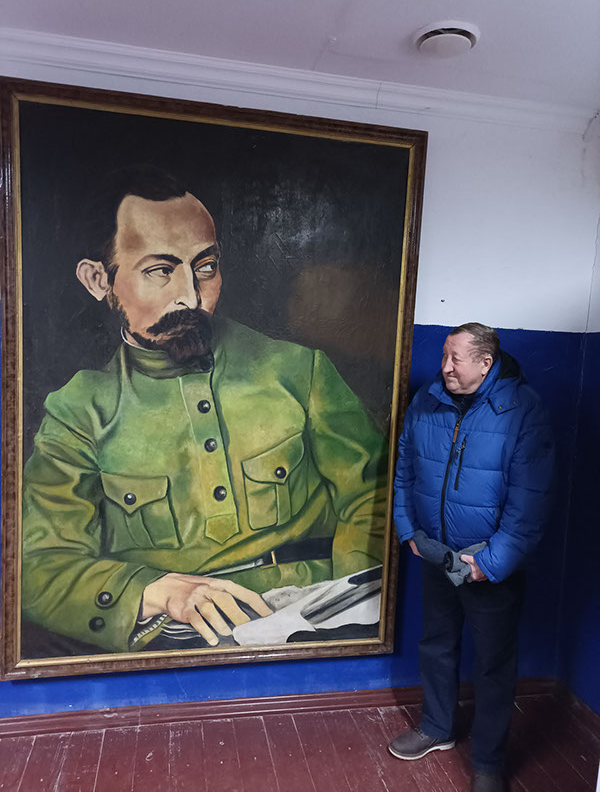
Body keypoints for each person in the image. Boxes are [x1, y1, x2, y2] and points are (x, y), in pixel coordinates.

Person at [21, 167, 387, 655]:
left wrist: (350, 606)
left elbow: (375, 497)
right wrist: (154, 593)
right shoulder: (78, 413)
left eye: (206, 267)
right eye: (159, 270)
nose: (191, 296)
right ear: (97, 280)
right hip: (175, 639)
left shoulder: (299, 371)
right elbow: (38, 566)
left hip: (319, 613)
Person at [390, 323, 554, 792]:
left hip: (487, 565)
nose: (445, 367)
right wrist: (409, 532)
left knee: (493, 665)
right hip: (435, 555)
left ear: (486, 363)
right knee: (436, 645)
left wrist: (491, 563)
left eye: (455, 358)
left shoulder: (523, 410)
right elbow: (404, 471)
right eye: (444, 355)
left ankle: (487, 763)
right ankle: (437, 727)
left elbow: (530, 501)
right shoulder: (426, 401)